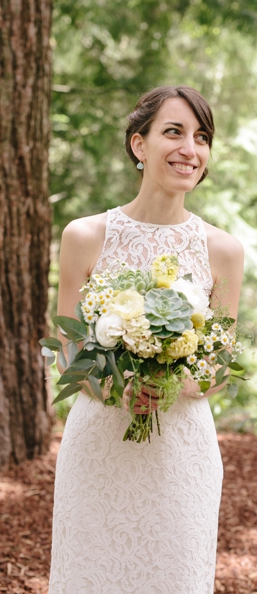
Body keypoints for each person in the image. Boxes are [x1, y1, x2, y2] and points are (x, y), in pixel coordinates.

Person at [49, 86, 244, 593]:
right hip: (98, 443)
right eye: (174, 132)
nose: (190, 149)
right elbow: (68, 351)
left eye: (202, 138)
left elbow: (219, 363)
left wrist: (173, 386)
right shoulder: (84, 236)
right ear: (139, 145)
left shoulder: (223, 250)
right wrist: (116, 390)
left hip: (180, 451)